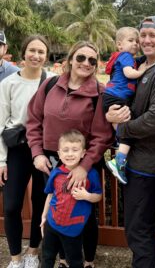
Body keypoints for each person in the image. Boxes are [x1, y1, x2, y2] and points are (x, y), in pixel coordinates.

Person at [27, 41, 113, 268]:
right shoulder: (50, 85)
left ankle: (87, 261)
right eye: (81, 58)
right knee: (57, 206)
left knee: (83, 211)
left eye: (92, 60)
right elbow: (34, 120)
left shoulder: (99, 94)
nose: (86, 63)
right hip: (50, 161)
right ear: (71, 59)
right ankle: (63, 258)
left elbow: (101, 136)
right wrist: (36, 153)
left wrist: (83, 166)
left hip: (84, 161)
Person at [106, 15, 155, 268]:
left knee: (138, 228)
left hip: (148, 164)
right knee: (138, 225)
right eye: (143, 35)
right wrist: (110, 114)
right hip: (135, 160)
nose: (147, 40)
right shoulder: (143, 66)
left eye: (153, 35)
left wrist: (121, 128)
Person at [0, 35, 53, 268]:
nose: (36, 56)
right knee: (11, 205)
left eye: (41, 52)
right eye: (32, 50)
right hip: (17, 150)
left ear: (46, 55)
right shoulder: (8, 83)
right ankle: (15, 257)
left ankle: (33, 250)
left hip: (43, 148)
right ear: (23, 53)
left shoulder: (52, 81)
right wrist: (1, 160)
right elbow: (0, 123)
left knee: (41, 201)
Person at [41, 130, 102, 268]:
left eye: (74, 150)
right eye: (66, 150)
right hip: (52, 223)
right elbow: (50, 195)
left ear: (83, 153)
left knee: (75, 260)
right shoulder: (56, 173)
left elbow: (98, 196)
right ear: (59, 154)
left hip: (74, 228)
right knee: (47, 256)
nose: (69, 154)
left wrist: (86, 196)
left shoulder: (90, 174)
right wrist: (44, 217)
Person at [103, 26, 147, 184]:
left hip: (110, 97)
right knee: (128, 130)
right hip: (117, 97)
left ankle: (118, 149)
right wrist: (143, 71)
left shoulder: (126, 57)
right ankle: (118, 161)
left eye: (137, 41)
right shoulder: (126, 56)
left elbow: (140, 60)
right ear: (119, 45)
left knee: (121, 129)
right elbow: (129, 73)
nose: (135, 44)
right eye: (131, 40)